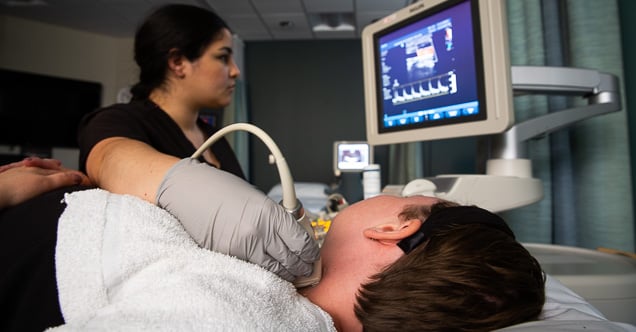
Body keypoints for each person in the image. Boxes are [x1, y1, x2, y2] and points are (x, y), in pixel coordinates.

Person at [51, 189, 546, 331]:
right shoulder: (275, 298)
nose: (393, 192)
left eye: (398, 195)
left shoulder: (232, 313)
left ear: (397, 229)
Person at [76, 4, 319, 281]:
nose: (235, 71)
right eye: (223, 57)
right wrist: (185, 186)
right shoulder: (117, 121)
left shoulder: (214, 137)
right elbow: (110, 159)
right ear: (178, 62)